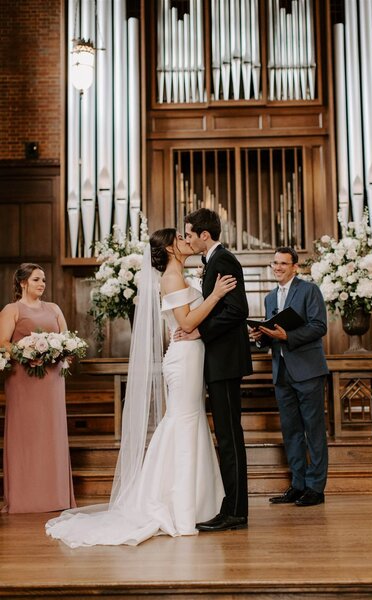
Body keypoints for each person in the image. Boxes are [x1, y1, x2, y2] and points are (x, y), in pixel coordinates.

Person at [45, 229, 236, 547]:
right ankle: (180, 507)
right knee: (183, 421)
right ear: (169, 248)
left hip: (191, 355)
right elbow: (186, 323)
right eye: (180, 237)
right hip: (184, 359)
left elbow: (191, 325)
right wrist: (215, 295)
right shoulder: (171, 278)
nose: (188, 240)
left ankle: (199, 503)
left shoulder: (180, 274)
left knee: (188, 420)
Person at [178, 208, 253, 532]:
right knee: (225, 434)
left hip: (224, 360)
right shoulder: (215, 261)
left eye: (190, 234)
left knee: (229, 436)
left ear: (204, 235)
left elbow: (238, 309)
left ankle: (235, 510)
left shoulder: (223, 260)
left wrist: (200, 331)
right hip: (220, 360)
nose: (189, 239)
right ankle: (231, 506)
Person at [250, 247, 329, 507]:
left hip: (308, 371)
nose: (278, 267)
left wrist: (288, 336)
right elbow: (273, 333)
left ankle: (315, 488)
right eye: (275, 263)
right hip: (282, 373)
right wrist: (261, 338)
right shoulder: (270, 297)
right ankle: (297, 485)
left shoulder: (309, 291)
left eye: (284, 263)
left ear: (295, 266)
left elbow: (319, 327)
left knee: (313, 431)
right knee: (291, 431)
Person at [0, 263, 76, 513]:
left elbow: (68, 339)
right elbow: (3, 342)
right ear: (23, 283)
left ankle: (55, 496)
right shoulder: (12, 309)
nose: (42, 284)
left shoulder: (54, 308)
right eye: (36, 280)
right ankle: (24, 498)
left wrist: (66, 352)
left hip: (52, 380)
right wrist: (26, 352)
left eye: (43, 279)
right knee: (26, 435)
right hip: (23, 379)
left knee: (51, 433)